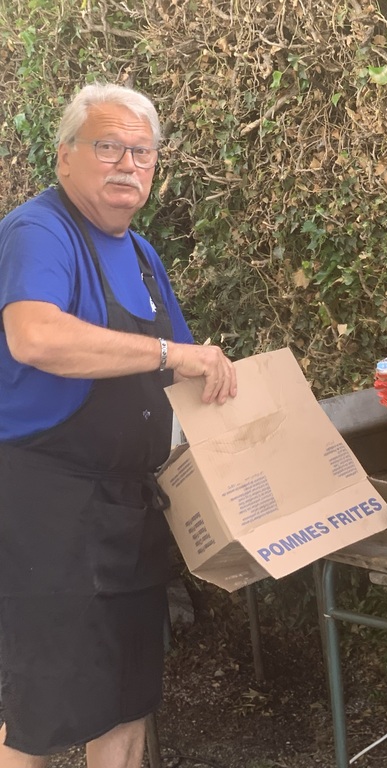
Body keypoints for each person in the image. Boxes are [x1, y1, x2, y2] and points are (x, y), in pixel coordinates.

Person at [0, 82, 237, 768]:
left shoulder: (140, 253)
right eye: (108, 147)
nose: (128, 165)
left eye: (143, 152)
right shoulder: (39, 231)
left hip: (130, 506)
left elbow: (187, 374)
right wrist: (169, 354)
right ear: (65, 155)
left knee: (128, 701)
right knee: (41, 713)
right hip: (48, 511)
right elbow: (35, 337)